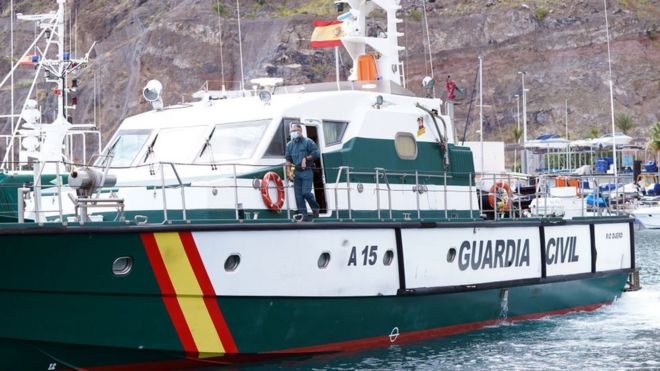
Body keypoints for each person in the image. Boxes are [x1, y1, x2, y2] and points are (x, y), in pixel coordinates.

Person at [285, 123, 321, 220]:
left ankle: (315, 208)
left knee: (306, 193)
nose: (293, 133)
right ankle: (303, 216)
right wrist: (288, 172)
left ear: (300, 131)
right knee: (298, 196)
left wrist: (306, 158)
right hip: (297, 172)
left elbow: (316, 154)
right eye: (291, 131)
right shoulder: (289, 145)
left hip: (307, 171)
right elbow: (288, 160)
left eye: (295, 131)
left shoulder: (308, 142)